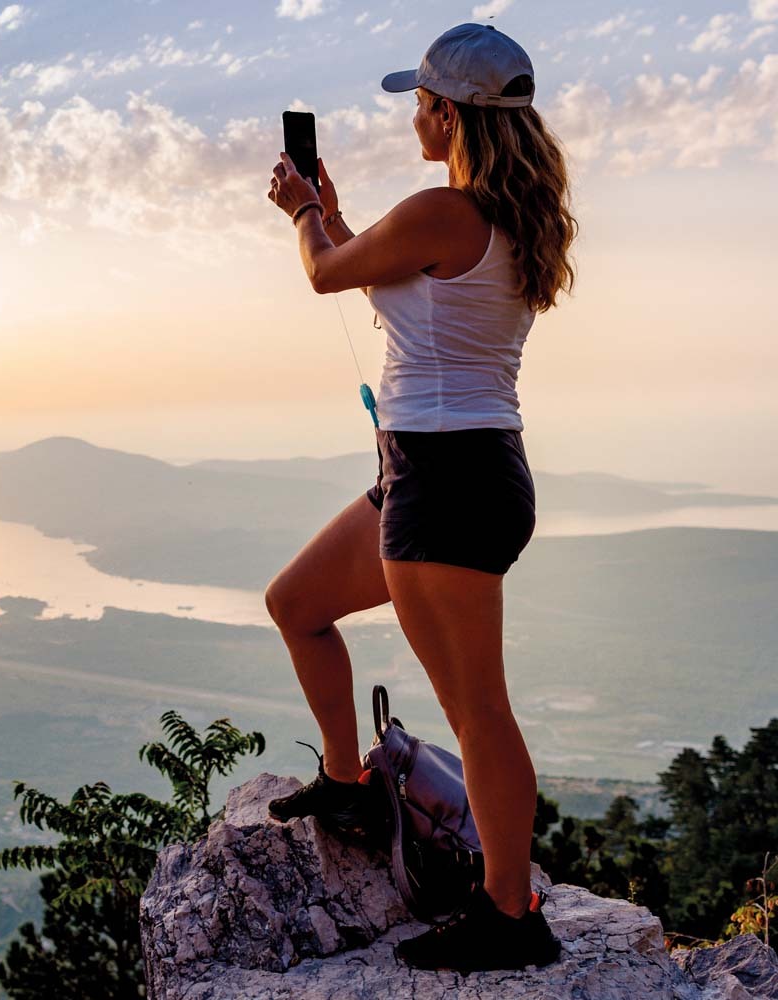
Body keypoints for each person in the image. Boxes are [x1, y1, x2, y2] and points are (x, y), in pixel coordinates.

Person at [263, 22, 579, 974]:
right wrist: (333, 213)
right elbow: (382, 277)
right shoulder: (496, 217)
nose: (411, 115)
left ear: (451, 113)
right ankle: (351, 780)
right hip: (442, 471)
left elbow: (324, 272)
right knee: (298, 604)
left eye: (420, 102)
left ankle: (509, 915)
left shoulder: (448, 211)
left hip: (446, 482)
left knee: (480, 711)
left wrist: (298, 215)